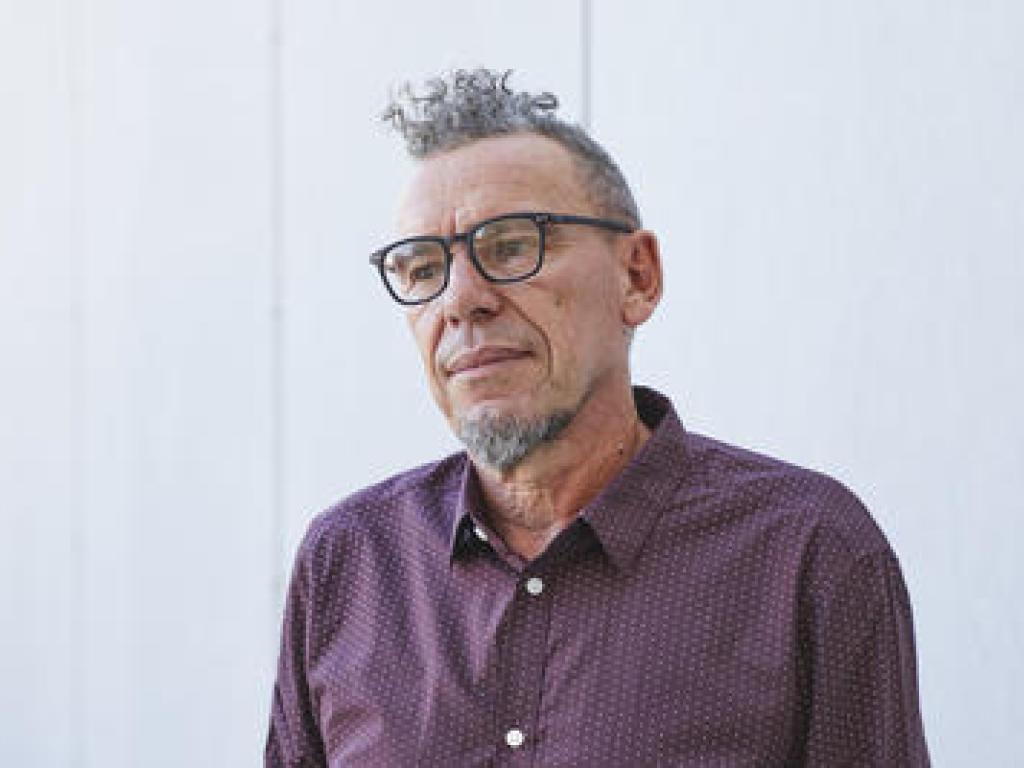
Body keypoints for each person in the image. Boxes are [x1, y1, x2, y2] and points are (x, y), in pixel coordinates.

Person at [265, 68, 930, 767]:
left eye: (511, 246)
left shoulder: (807, 553)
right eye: (422, 268)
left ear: (638, 277)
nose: (459, 300)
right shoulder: (349, 564)